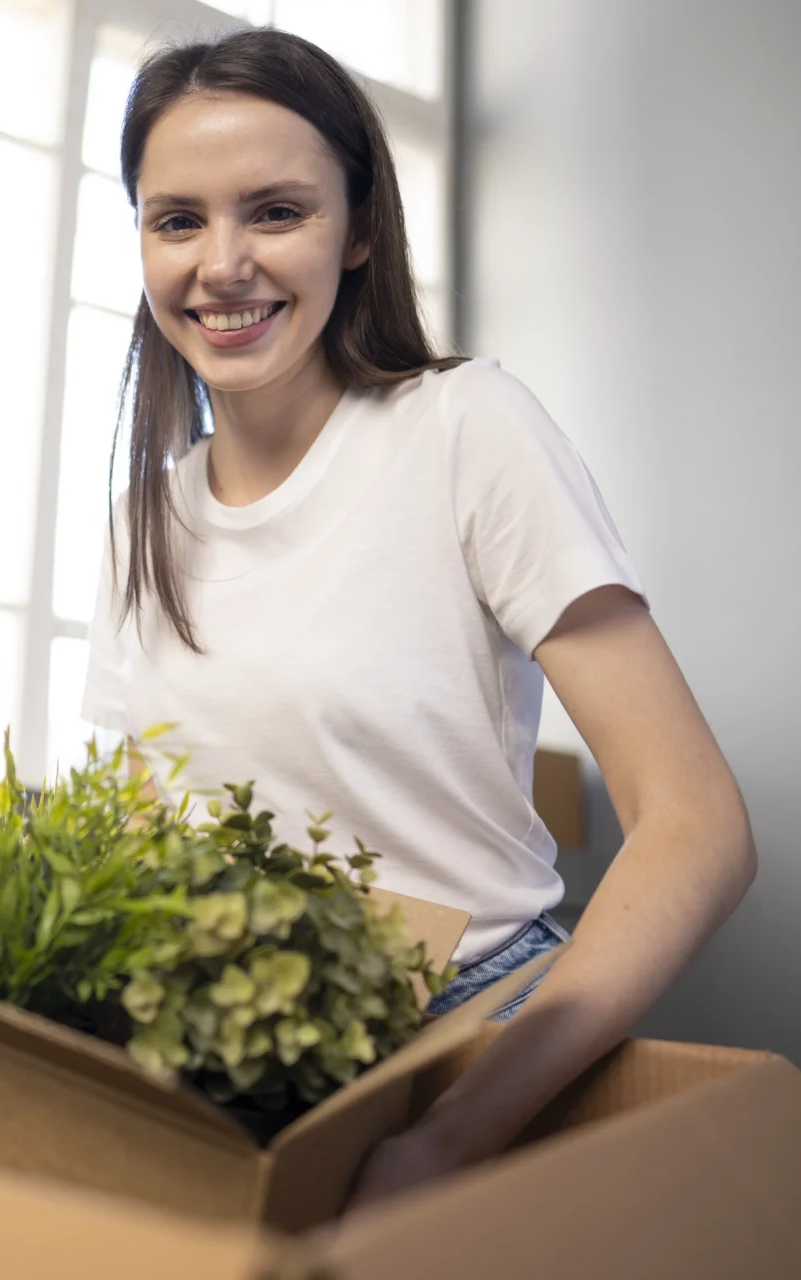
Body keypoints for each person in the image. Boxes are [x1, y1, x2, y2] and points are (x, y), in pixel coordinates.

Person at [80, 27, 756, 1215]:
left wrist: (456, 1127)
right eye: (176, 219)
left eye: (276, 211)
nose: (221, 263)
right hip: (227, 1058)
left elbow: (697, 823)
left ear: (359, 233)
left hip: (465, 1032)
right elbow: (138, 835)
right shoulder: (149, 517)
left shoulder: (465, 429)